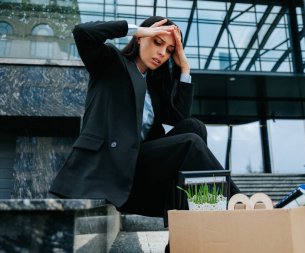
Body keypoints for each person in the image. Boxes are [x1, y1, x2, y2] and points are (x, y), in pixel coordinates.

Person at [49, 16, 240, 252]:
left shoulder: (154, 85)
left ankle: (185, 236)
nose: (162, 53)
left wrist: (185, 67)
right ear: (141, 39)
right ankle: (239, 207)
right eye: (157, 42)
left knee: (195, 129)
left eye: (169, 50)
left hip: (139, 172)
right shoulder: (110, 63)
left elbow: (180, 119)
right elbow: (82, 32)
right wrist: (138, 29)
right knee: (190, 142)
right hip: (110, 170)